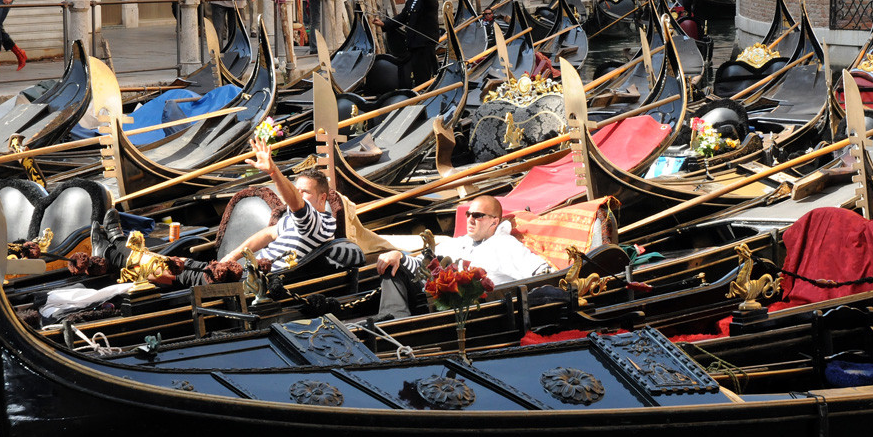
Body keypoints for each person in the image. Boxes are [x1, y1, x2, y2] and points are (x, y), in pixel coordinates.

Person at [90, 138, 336, 287]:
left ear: (323, 197)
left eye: (305, 192)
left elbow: (294, 203)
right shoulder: (295, 220)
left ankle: (114, 251)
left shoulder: (317, 223)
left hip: (254, 284)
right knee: (178, 266)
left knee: (171, 268)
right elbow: (268, 234)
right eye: (298, 190)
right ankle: (115, 249)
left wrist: (274, 172)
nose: (298, 195)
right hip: (239, 273)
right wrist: (231, 257)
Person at [374, 195, 550, 318]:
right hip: (442, 305)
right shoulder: (457, 243)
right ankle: (392, 319)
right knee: (393, 265)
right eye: (468, 214)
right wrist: (399, 256)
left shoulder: (504, 244)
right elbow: (422, 265)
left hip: (481, 313)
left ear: (494, 222)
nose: (470, 219)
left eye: (478, 216)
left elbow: (542, 273)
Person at [372, 0, 438, 87]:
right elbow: (402, 18)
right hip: (412, 44)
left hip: (424, 45)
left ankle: (424, 97)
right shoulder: (412, 0)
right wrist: (384, 24)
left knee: (423, 77)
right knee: (411, 75)